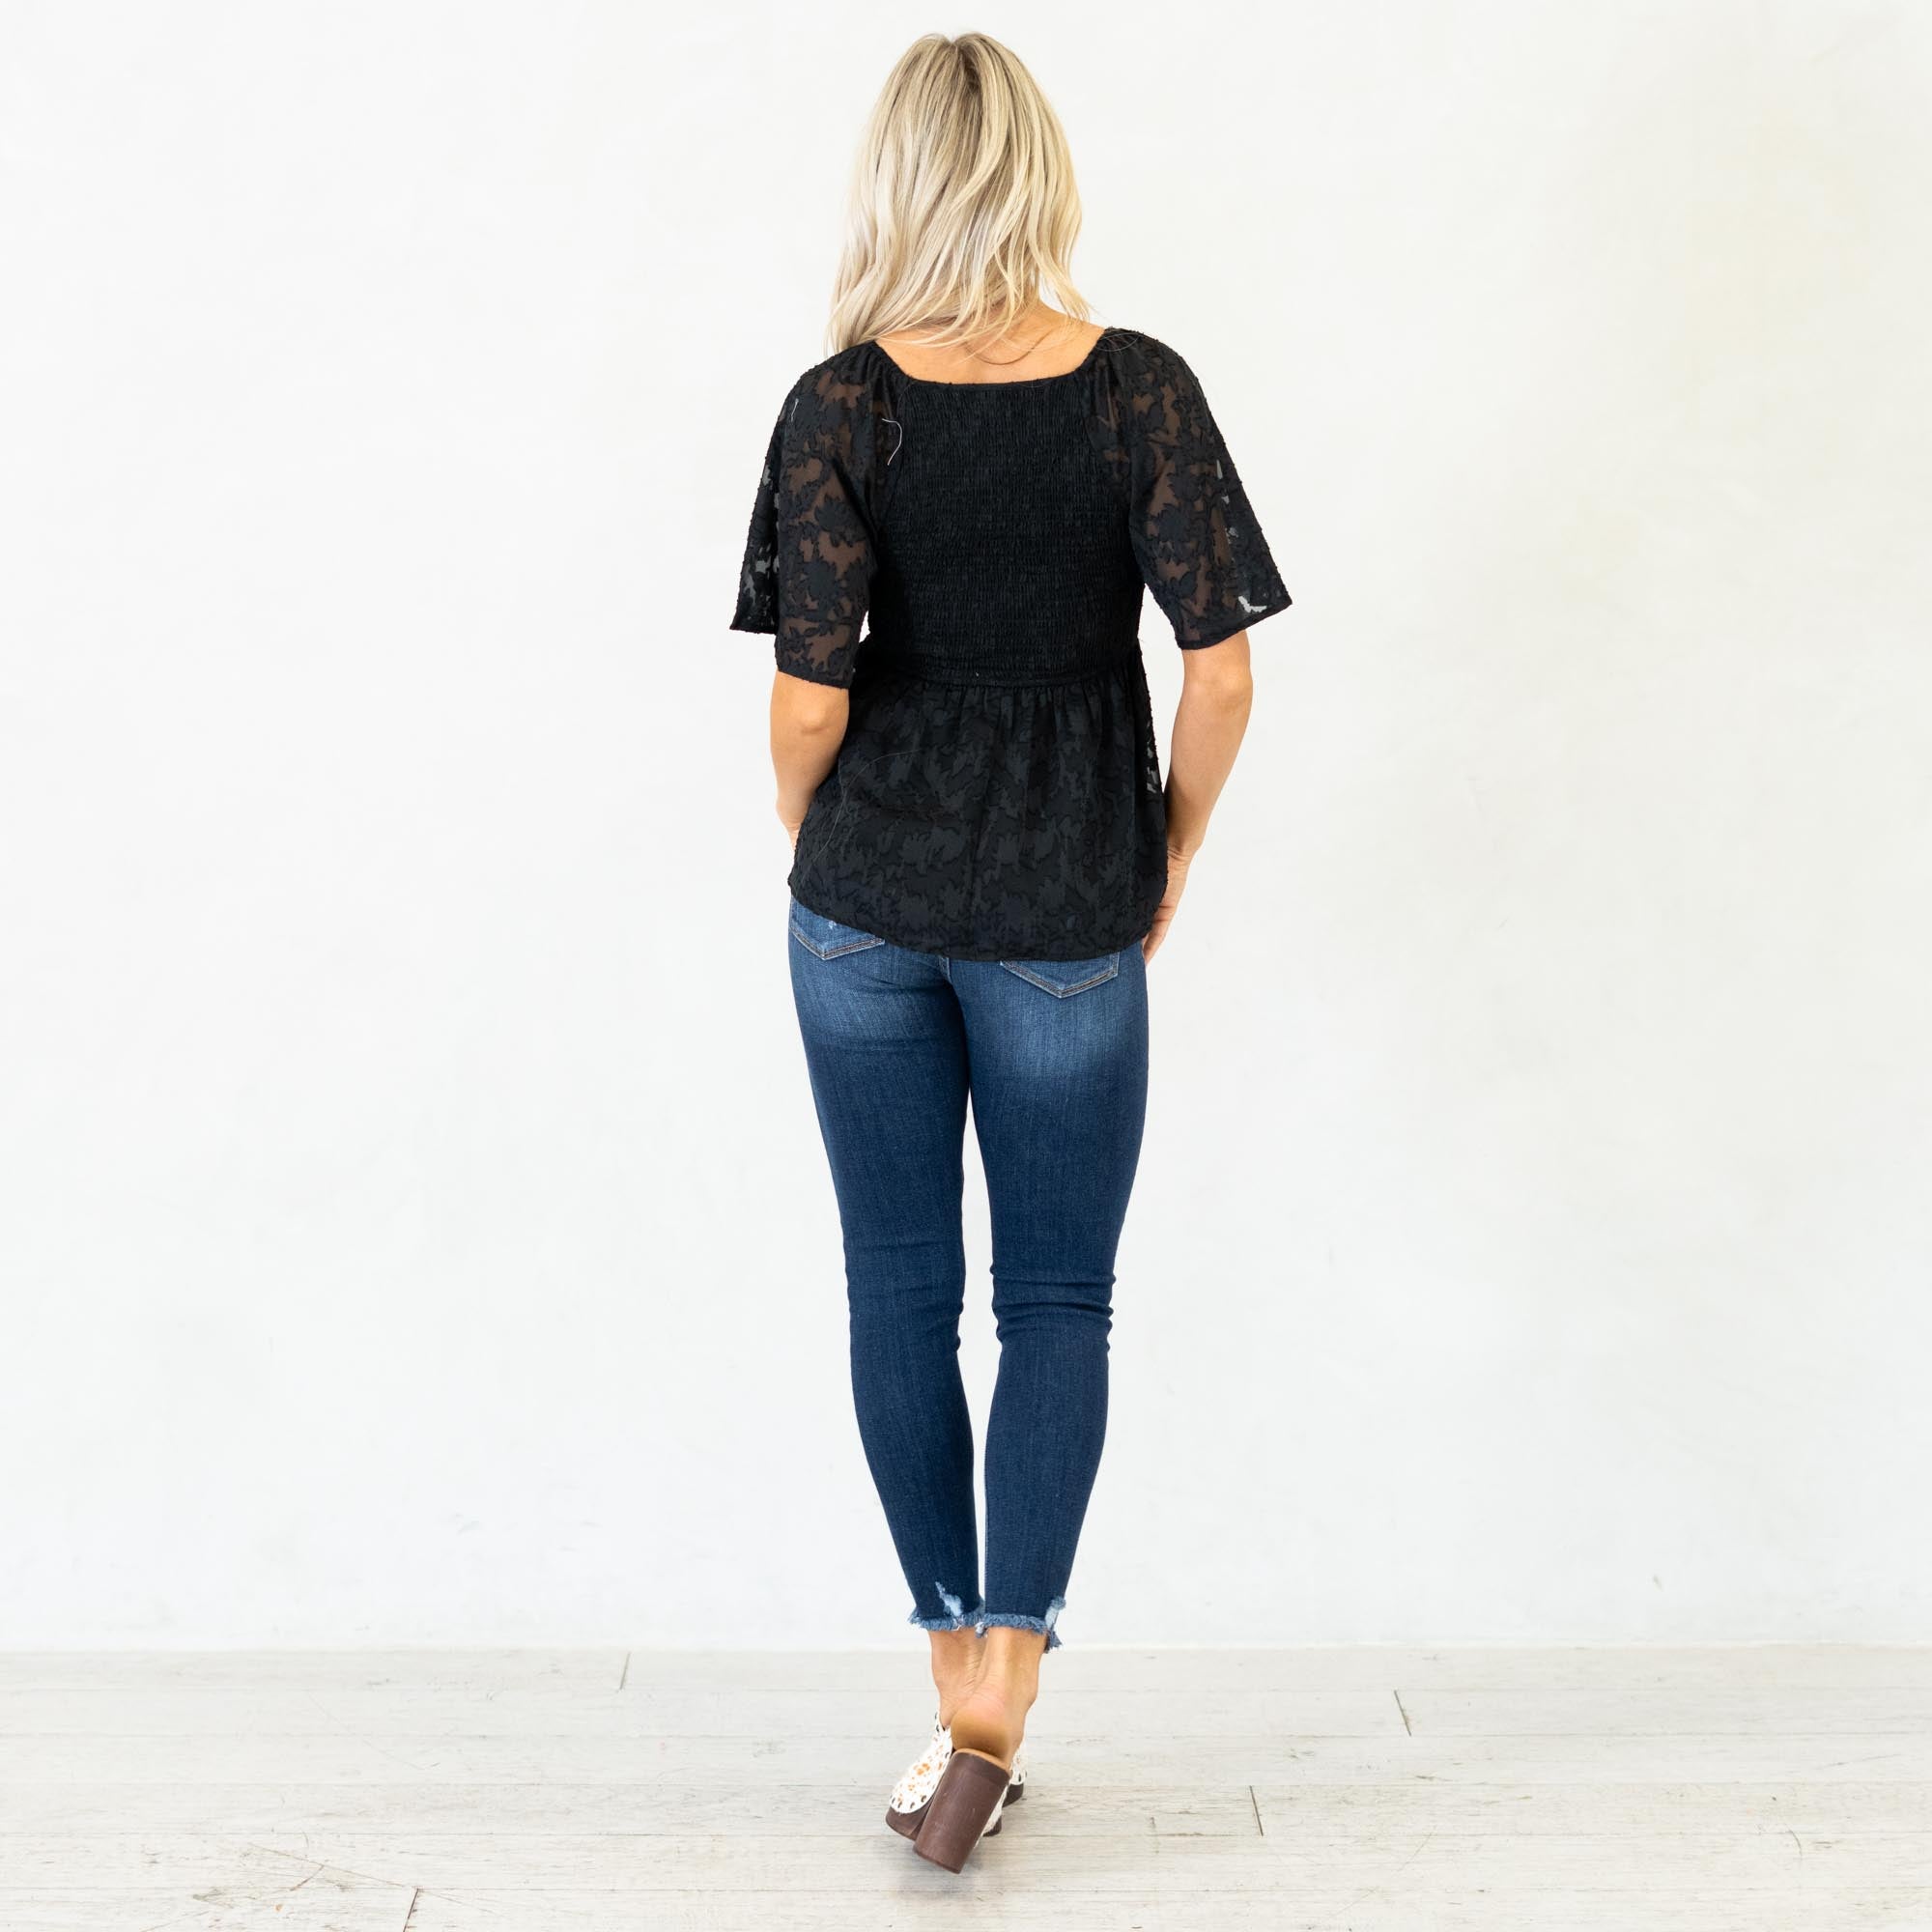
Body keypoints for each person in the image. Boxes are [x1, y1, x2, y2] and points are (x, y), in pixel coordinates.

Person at [729, 30, 1290, 1872]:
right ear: (1041, 173)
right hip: (1068, 904)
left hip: (865, 913)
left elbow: (810, 698)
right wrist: (1171, 841)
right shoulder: (1137, 392)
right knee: (1055, 1303)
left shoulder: (841, 406)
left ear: (893, 179)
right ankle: (1006, 1685)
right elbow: (1222, 673)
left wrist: (814, 838)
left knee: (896, 1290)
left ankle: (947, 1655)